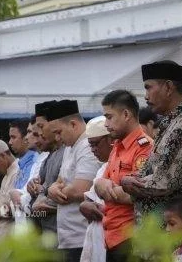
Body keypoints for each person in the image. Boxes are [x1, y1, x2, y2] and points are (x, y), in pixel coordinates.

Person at [121, 61, 182, 224]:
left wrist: (127, 182)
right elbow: (149, 171)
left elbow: (166, 181)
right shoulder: (171, 123)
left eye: (148, 87)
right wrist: (129, 179)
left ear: (168, 88)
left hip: (172, 234)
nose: (146, 96)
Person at [95, 90, 154, 262]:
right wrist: (103, 185)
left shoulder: (145, 147)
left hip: (132, 238)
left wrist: (106, 187)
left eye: (109, 117)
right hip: (112, 237)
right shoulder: (117, 146)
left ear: (126, 114)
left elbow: (137, 195)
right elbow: (99, 184)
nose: (106, 124)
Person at [47, 100, 103, 262]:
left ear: (73, 124)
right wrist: (52, 189)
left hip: (81, 235)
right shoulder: (70, 147)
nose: (57, 138)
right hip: (68, 237)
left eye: (58, 132)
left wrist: (55, 191)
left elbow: (80, 189)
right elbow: (59, 181)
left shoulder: (87, 145)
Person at [79, 116, 113, 262]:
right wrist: (84, 205)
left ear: (110, 139)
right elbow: (88, 199)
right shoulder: (103, 168)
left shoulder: (121, 163)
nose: (93, 150)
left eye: (95, 144)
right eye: (90, 145)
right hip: (97, 236)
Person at [28, 100, 64, 236]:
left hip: (60, 234)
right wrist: (31, 187)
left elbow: (70, 192)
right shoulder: (49, 156)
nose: (41, 134)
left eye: (41, 127)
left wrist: (45, 202)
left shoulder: (68, 151)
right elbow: (41, 185)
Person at [0, 139, 20, 243]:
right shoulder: (7, 175)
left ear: (3, 156)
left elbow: (10, 210)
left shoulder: (17, 173)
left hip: (10, 241)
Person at [9, 120, 38, 190]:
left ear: (25, 138)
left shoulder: (35, 161)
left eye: (13, 137)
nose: (10, 142)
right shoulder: (22, 163)